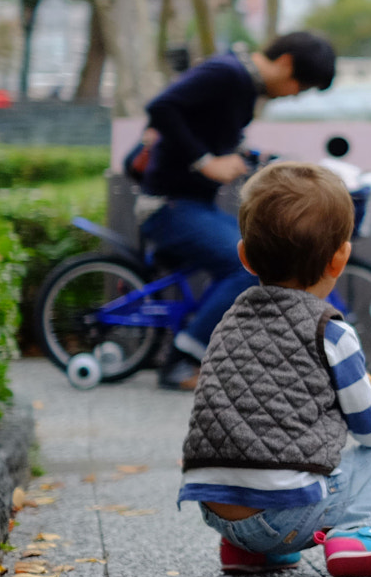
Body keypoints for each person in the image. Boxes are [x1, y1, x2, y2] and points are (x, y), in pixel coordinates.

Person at [177, 161, 371, 577]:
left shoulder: (228, 321)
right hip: (285, 517)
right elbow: (368, 428)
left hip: (215, 508)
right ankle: (363, 533)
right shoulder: (331, 333)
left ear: (244, 256)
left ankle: (247, 550)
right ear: (341, 259)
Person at [137, 33, 336, 389]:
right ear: (286, 62)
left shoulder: (242, 84)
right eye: (299, 86)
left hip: (191, 204)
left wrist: (254, 158)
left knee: (255, 253)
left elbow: (212, 131)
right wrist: (204, 162)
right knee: (252, 265)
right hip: (168, 206)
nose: (294, 95)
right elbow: (161, 107)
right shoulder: (228, 73)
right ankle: (181, 361)